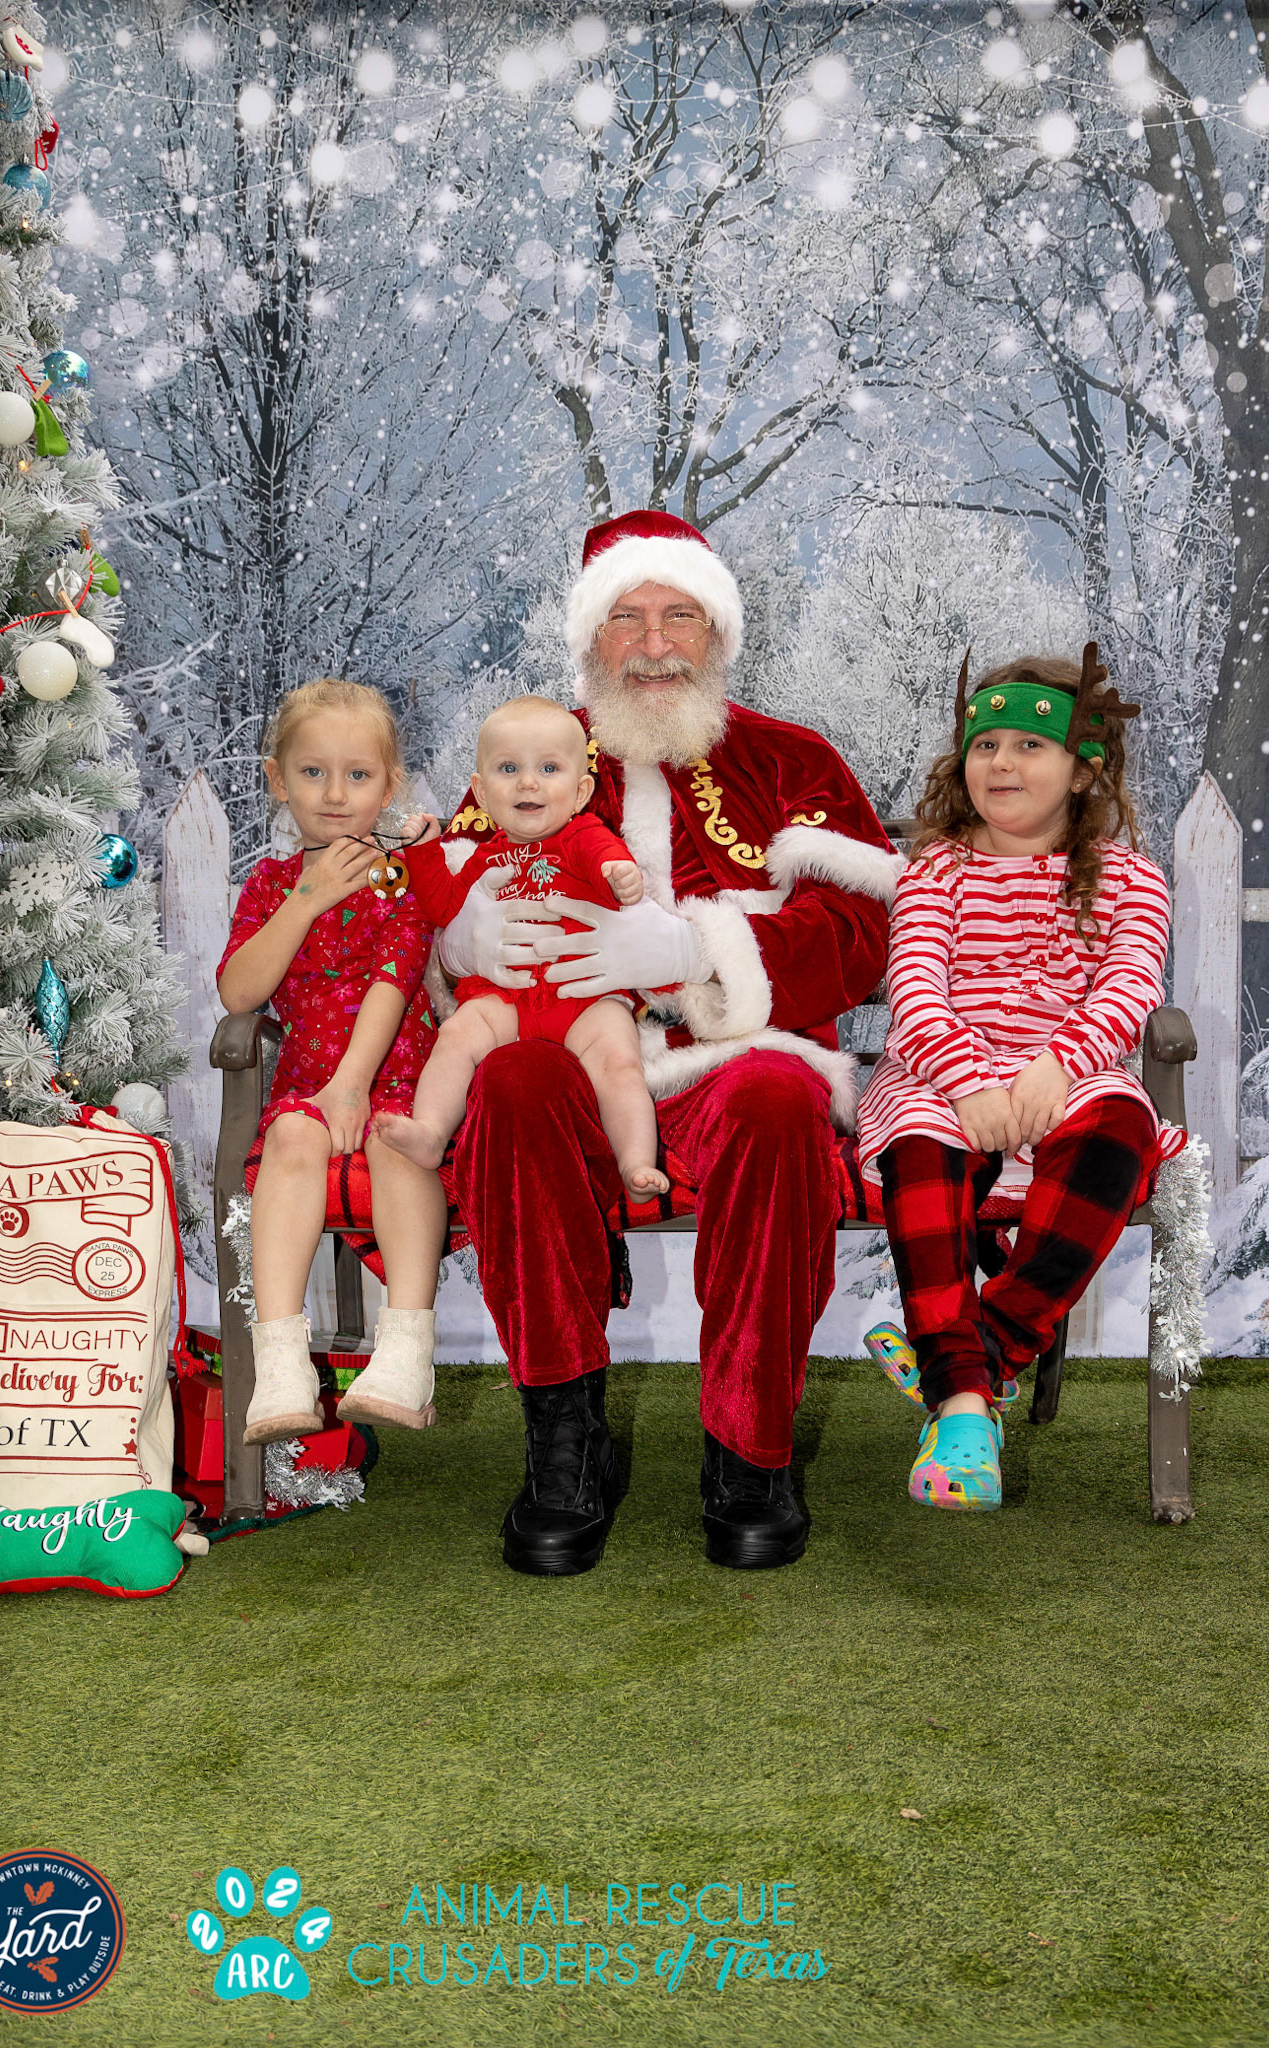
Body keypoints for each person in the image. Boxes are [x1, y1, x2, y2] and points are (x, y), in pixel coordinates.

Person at [433, 510, 901, 1577]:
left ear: (717, 632)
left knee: (777, 1100)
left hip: (736, 1061)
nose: (653, 645)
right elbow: (449, 894)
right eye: (625, 619)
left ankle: (750, 1451)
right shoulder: (530, 753)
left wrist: (696, 948)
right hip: (566, 1054)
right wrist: (471, 937)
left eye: (678, 616)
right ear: (589, 638)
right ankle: (565, 1445)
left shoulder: (793, 760)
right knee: (511, 1082)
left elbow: (865, 927)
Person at [855, 646, 1186, 1512]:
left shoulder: (1130, 878)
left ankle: (976, 1354)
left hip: (1064, 1069)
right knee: (922, 1144)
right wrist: (968, 1083)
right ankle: (969, 1416)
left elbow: (1130, 986)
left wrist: (1057, 1065)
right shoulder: (936, 872)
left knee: (1118, 1128)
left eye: (1029, 746)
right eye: (986, 744)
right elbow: (916, 991)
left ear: (1083, 770)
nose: (1001, 762)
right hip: (941, 1074)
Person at [216, 679, 447, 1442]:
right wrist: (306, 899)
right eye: (313, 772)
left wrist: (354, 1085)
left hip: (400, 1080)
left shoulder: (404, 876)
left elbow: (394, 979)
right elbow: (239, 990)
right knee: (289, 1132)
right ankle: (281, 1361)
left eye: (359, 774)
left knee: (395, 1138)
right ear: (278, 780)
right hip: (308, 1088)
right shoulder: (272, 884)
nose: (336, 794)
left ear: (390, 783)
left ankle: (406, 1353)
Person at [372, 695, 669, 1198]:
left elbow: (605, 861)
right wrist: (423, 853)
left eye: (548, 769)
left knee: (619, 1062)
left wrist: (620, 874)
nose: (528, 783)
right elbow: (445, 909)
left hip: (583, 997)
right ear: (481, 793)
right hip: (504, 997)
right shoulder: (486, 857)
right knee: (458, 1035)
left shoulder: (584, 836)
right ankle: (430, 1131)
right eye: (509, 769)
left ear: (580, 792)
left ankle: (635, 1161)